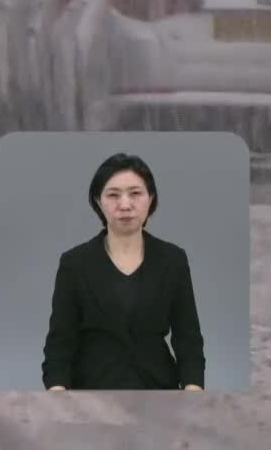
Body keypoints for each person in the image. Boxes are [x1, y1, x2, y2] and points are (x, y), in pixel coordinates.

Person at [42, 153, 205, 391]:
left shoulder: (173, 260)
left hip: (160, 392)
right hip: (92, 394)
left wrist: (193, 389)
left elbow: (188, 338)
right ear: (98, 201)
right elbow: (60, 343)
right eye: (113, 195)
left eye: (135, 193)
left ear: (151, 199)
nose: (125, 205)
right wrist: (58, 394)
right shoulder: (74, 263)